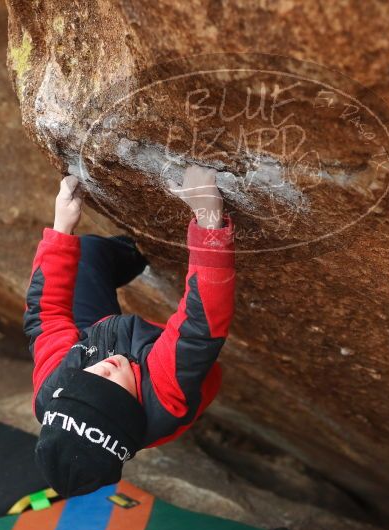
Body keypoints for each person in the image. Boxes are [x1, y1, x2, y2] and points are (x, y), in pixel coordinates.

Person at [23, 165, 235, 497]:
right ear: (127, 414)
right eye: (108, 389)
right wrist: (208, 217)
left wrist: (62, 226)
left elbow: (44, 313)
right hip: (153, 358)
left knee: (86, 256)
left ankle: (143, 250)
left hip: (101, 337)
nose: (102, 370)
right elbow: (201, 323)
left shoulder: (55, 388)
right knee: (192, 327)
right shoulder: (164, 395)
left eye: (86, 380)